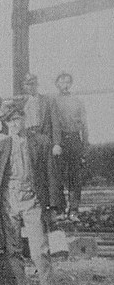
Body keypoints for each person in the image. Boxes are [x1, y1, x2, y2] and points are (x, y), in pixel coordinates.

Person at [0, 102, 59, 285]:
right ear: (5, 124)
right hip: (9, 201)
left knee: (39, 250)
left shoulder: (40, 142)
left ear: (24, 120)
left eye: (18, 119)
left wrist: (52, 206)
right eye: (10, 121)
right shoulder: (0, 147)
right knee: (13, 251)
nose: (15, 124)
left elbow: (51, 175)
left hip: (32, 200)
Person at [52, 72, 89, 220]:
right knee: (58, 175)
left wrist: (85, 145)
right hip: (59, 140)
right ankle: (61, 210)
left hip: (74, 140)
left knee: (75, 176)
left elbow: (84, 125)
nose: (65, 85)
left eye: (68, 82)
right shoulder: (52, 101)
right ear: (57, 84)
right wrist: (55, 143)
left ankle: (73, 210)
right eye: (62, 82)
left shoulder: (77, 101)